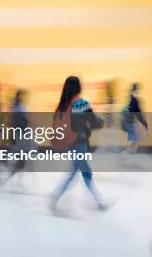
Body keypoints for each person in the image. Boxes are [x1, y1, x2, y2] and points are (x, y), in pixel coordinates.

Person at [49, 76, 109, 212]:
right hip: (79, 143)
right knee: (74, 173)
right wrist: (101, 122)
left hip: (69, 144)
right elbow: (94, 123)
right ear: (78, 87)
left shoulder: (63, 104)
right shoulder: (81, 103)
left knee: (85, 172)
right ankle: (54, 197)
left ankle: (99, 202)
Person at [122, 83, 149, 153]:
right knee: (136, 138)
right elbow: (137, 112)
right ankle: (129, 151)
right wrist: (144, 123)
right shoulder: (134, 100)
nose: (137, 92)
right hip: (131, 121)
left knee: (136, 137)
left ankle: (131, 151)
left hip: (130, 120)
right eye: (137, 91)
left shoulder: (131, 99)